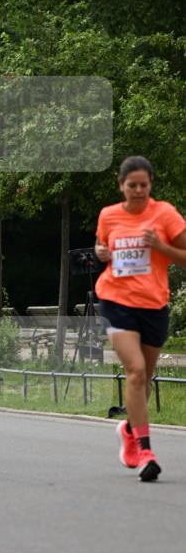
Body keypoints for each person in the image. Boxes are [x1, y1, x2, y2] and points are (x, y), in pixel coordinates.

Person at [95, 155, 186, 481]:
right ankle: (146, 451)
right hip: (116, 301)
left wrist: (160, 246)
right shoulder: (108, 215)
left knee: (145, 378)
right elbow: (102, 246)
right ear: (121, 185)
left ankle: (129, 429)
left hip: (153, 304)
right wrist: (101, 253)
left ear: (151, 185)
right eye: (131, 185)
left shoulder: (165, 214)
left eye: (143, 185)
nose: (137, 190)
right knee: (134, 371)